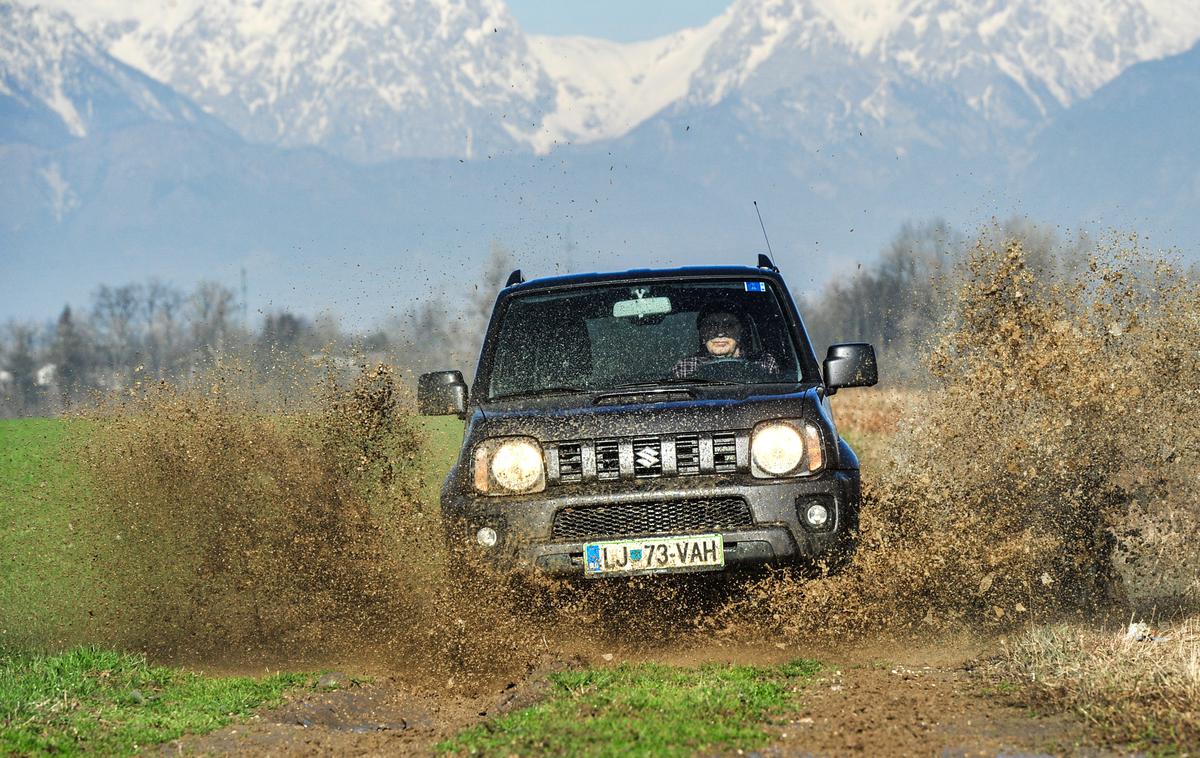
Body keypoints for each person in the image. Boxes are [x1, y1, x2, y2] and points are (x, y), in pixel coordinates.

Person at [672, 301, 779, 378]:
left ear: (741, 331)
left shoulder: (763, 362)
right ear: (702, 333)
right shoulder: (686, 366)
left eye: (729, 325)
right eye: (712, 325)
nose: (720, 333)